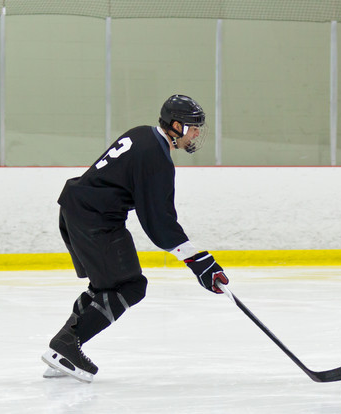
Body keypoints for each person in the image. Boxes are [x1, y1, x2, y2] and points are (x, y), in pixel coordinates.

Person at [41, 95, 229, 383]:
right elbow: (160, 223)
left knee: (104, 287)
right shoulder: (157, 157)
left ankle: (65, 347)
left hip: (76, 208)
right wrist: (198, 262)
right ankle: (65, 347)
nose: (196, 134)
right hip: (95, 219)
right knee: (130, 286)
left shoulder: (142, 134)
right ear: (176, 126)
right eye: (193, 127)